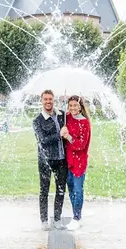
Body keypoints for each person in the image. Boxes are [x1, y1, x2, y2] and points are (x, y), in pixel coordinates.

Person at [33, 89, 68, 230]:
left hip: (61, 159)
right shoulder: (37, 121)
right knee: (44, 190)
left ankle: (58, 219)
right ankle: (44, 220)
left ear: (54, 100)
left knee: (60, 190)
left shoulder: (62, 116)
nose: (48, 102)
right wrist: (59, 135)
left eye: (50, 99)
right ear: (42, 101)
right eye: (45, 99)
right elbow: (42, 140)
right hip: (46, 160)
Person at [61, 95, 92, 230]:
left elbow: (81, 144)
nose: (73, 108)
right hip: (68, 160)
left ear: (80, 107)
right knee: (71, 189)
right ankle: (76, 214)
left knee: (78, 190)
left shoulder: (85, 123)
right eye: (70, 106)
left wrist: (68, 137)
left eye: (75, 106)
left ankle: (77, 217)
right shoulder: (66, 118)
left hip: (79, 161)